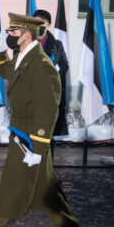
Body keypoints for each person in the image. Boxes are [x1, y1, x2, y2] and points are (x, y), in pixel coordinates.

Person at [0, 13, 84, 227]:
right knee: (45, 187)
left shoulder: (42, 66)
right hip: (20, 132)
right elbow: (6, 71)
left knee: (11, 184)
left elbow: (48, 109)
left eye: (13, 32)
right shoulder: (22, 57)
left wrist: (37, 147)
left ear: (26, 34)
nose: (9, 36)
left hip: (30, 138)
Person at [33, 9, 69, 155]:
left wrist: (55, 78)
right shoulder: (25, 42)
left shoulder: (57, 44)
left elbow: (65, 64)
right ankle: (31, 173)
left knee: (48, 133)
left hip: (50, 94)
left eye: (42, 23)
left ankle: (47, 172)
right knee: (31, 132)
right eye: (36, 22)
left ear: (48, 25)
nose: (39, 26)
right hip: (31, 93)